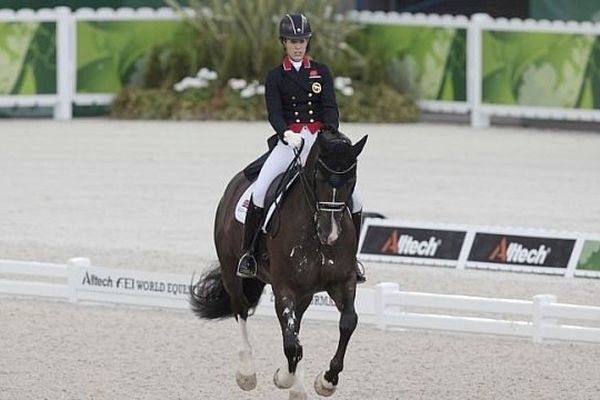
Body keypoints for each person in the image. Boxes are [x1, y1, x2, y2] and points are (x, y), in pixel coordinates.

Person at [237, 13, 366, 283]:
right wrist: (285, 133)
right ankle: (248, 254)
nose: (298, 46)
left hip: (320, 141)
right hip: (290, 141)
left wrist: (328, 134)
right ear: (283, 42)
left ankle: (351, 258)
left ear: (308, 43)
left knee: (357, 199)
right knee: (260, 192)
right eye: (293, 41)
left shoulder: (321, 71)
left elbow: (330, 107)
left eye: (302, 41)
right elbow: (274, 112)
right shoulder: (276, 76)